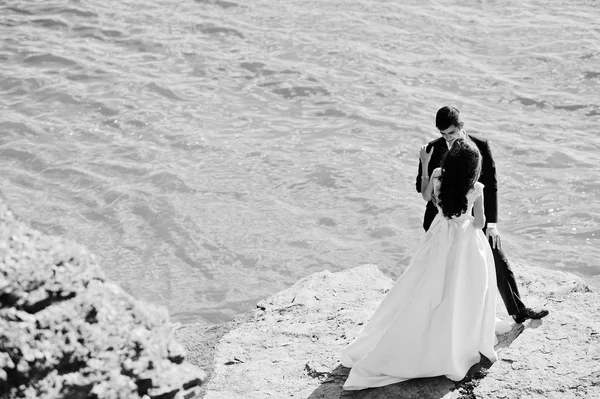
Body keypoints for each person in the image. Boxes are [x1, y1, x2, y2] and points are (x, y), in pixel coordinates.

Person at [341, 138, 498, 390]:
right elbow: (479, 224)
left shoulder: (437, 177)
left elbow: (426, 196)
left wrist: (425, 164)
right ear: (472, 169)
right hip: (465, 242)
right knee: (462, 289)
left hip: (439, 235)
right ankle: (456, 336)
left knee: (424, 282)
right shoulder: (476, 188)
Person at [416, 105, 548, 325]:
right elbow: (422, 188)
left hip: (473, 214)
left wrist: (492, 224)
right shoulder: (431, 149)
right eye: (443, 134)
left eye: (451, 132)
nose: (447, 138)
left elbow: (491, 184)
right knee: (439, 275)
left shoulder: (480, 146)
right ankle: (434, 320)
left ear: (461, 126)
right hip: (439, 221)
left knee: (496, 254)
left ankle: (518, 311)